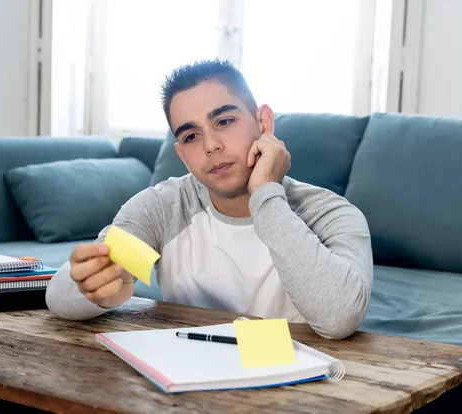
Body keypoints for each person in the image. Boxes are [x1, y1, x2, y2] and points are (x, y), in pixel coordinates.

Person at [46, 59, 373, 340]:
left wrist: (266, 194)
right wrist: (94, 289)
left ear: (264, 123)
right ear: (182, 155)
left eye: (225, 121)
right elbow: (60, 299)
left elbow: (339, 318)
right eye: (191, 135)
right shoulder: (163, 208)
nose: (211, 145)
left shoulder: (331, 214)